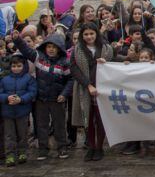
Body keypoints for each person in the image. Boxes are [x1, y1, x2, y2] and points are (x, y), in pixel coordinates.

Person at [12, 31, 73, 161]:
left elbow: (70, 80)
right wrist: (17, 39)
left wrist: (64, 94)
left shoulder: (65, 63)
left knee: (59, 125)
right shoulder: (39, 57)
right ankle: (43, 149)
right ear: (45, 47)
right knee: (41, 125)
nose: (51, 49)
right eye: (49, 46)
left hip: (57, 99)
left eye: (54, 47)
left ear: (60, 49)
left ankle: (62, 147)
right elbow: (26, 50)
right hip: (41, 98)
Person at [70, 21, 113, 161]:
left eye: (91, 34)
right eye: (86, 34)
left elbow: (113, 63)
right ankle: (91, 147)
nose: (89, 37)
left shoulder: (105, 48)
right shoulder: (77, 49)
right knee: (87, 119)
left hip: (102, 89)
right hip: (84, 89)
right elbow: (74, 69)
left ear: (97, 34)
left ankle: (99, 147)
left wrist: (106, 62)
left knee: (100, 119)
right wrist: (88, 85)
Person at [0, 56, 36, 167]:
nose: (16, 68)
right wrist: (7, 98)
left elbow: (32, 92)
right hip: (7, 111)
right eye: (14, 66)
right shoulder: (4, 80)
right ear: (10, 67)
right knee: (9, 134)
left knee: (22, 133)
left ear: (24, 66)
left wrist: (21, 99)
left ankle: (22, 152)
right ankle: (10, 154)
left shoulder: (28, 78)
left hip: (22, 111)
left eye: (19, 66)